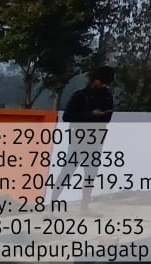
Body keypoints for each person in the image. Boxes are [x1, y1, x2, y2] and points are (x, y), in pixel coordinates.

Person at [52, 65, 116, 211]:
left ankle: (84, 207)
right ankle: (52, 205)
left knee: (91, 174)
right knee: (67, 171)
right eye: (104, 82)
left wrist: (100, 116)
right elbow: (67, 116)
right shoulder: (80, 95)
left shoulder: (107, 97)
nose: (106, 86)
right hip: (78, 139)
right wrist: (90, 115)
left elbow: (107, 118)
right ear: (96, 80)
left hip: (96, 140)